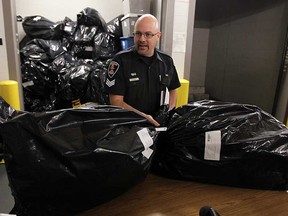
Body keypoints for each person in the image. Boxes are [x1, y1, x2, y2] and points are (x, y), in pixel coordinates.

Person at [105, 14, 180, 126]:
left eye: (148, 34)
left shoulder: (166, 61)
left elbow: (173, 89)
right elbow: (116, 101)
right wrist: (142, 117)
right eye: (138, 34)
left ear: (158, 36)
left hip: (157, 124)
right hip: (128, 125)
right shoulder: (120, 61)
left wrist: (169, 111)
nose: (142, 39)